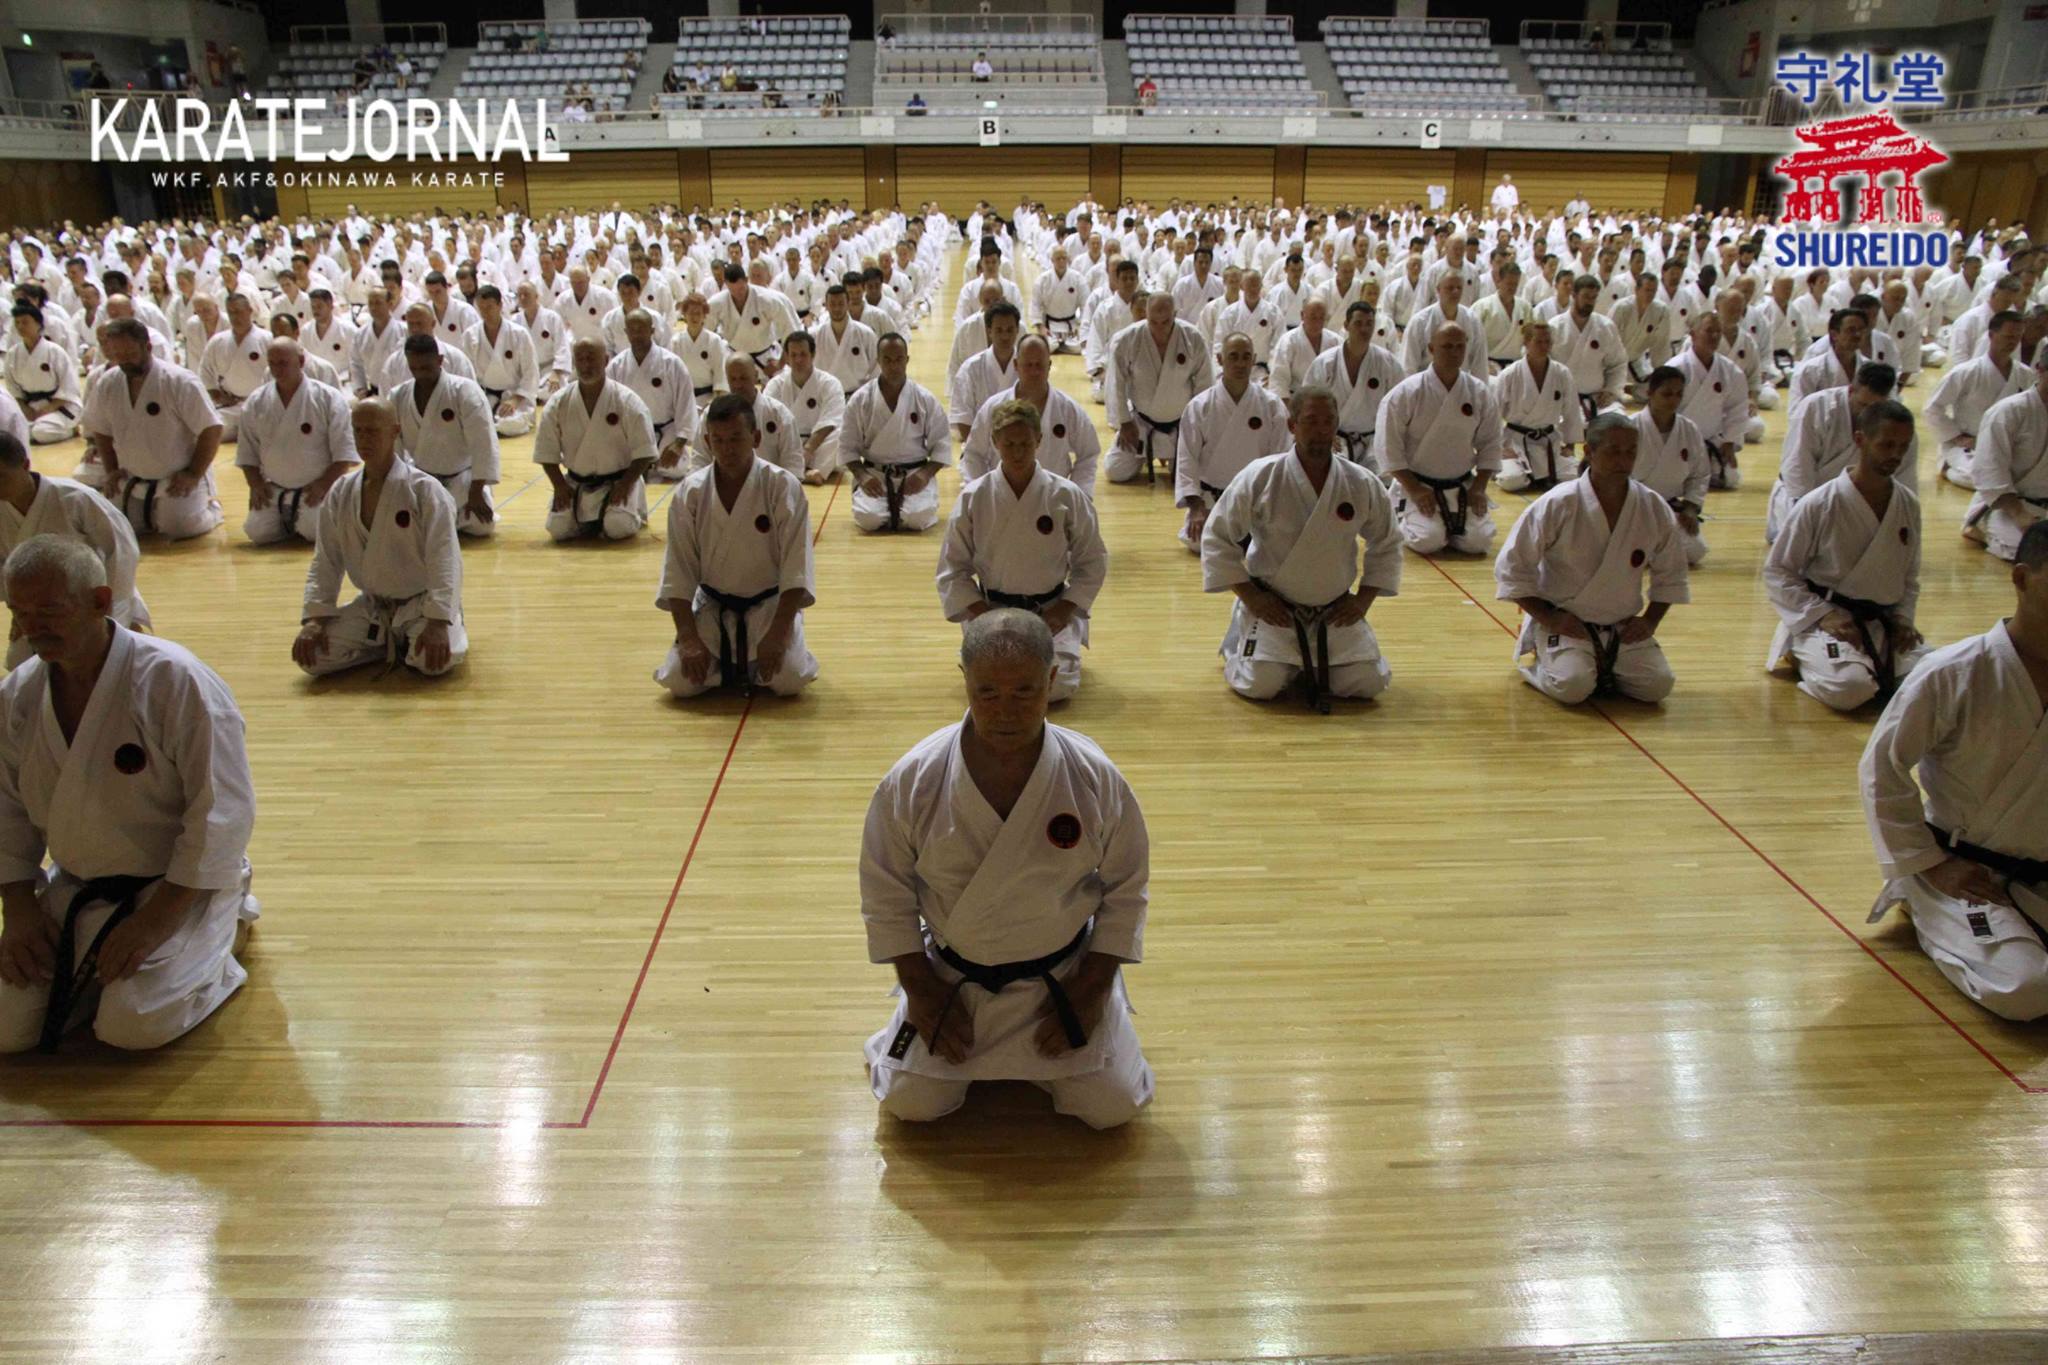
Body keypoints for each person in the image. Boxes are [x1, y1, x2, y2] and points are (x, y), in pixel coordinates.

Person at [860, 608, 1153, 1129]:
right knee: (910, 1105)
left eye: (1024, 691)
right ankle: (902, 1024)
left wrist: (1090, 990)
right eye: (987, 692)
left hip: (1062, 977)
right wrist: (922, 991)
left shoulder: (1093, 778)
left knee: (1112, 1108)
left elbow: (1127, 891)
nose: (1005, 711)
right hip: (955, 979)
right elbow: (886, 895)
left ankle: (1107, 1022)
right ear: (964, 681)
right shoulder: (914, 780)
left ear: (1052, 679)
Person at [0, 534, 257, 1053]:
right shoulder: (18, 696)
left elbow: (221, 812)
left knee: (133, 1025)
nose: (32, 628)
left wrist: (155, 921)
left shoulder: (174, 680)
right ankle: (100, 975)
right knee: (6, 1029)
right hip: (76, 888)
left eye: (48, 609)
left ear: (100, 600)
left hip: (179, 889)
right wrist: (20, 911)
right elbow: (5, 809)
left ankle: (227, 927)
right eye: (18, 612)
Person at [1859, 519, 2048, 1022]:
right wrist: (1930, 863)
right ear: (2023, 578)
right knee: (2026, 989)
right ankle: (1923, 905)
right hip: (1965, 872)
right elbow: (1882, 767)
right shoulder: (1956, 671)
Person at [1200, 385, 1401, 710]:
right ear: (1292, 425)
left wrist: (1363, 600)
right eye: (1310, 421)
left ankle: (1299, 664)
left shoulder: (1359, 481)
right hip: (1274, 609)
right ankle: (1241, 642)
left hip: (1334, 609)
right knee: (1261, 685)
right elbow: (1217, 537)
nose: (1320, 431)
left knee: (1368, 682)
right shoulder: (1262, 476)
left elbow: (1388, 541)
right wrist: (1252, 597)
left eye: (1328, 421)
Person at [1494, 413, 1689, 707]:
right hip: (1567, 622)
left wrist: (1650, 620)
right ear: (1590, 451)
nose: (1623, 460)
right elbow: (1511, 568)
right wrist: (1548, 617)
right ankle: (1542, 659)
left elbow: (1671, 573)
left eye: (1630, 452)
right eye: (1613, 451)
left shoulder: (1651, 506)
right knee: (1573, 687)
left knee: (1659, 685)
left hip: (1622, 626)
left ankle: (1598, 668)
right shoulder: (1558, 503)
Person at [938, 399, 1106, 704]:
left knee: (1057, 686)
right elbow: (953, 569)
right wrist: (981, 614)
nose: (1017, 452)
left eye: (1025, 444)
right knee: (994, 688)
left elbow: (1092, 560)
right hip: (990, 611)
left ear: (1039, 441)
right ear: (995, 443)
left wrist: (1064, 610)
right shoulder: (975, 497)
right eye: (1009, 444)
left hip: (1049, 612)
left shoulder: (1066, 495)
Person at [1764, 398, 1928, 711]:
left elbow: (1909, 575)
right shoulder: (1820, 503)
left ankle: (1860, 663)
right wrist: (1824, 614)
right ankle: (1801, 654)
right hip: (1826, 621)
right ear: (1860, 439)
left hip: (1882, 624)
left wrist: (1904, 619)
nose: (1896, 455)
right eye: (1887, 444)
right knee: (1851, 689)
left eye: (1903, 446)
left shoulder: (1908, 504)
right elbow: (1778, 571)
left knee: (1933, 678)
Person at [654, 394, 817, 699]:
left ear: (755, 437)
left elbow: (797, 569)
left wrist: (779, 635)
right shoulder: (689, 494)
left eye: (736, 438)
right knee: (680, 682)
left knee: (789, 679)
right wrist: (688, 639)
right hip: (713, 606)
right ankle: (737, 666)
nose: (727, 448)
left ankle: (780, 644)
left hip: (770, 607)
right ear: (706, 441)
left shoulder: (782, 487)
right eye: (718, 440)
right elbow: (678, 571)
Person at [294, 399, 465, 679]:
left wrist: (437, 621)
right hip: (374, 607)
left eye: (372, 431)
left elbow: (445, 557)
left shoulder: (424, 490)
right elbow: (326, 559)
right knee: (312, 659)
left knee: (431, 662)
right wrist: (316, 618)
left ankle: (435, 629)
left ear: (394, 431)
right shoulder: (341, 492)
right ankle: (387, 640)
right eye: (358, 431)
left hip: (421, 606)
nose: (364, 439)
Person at [0, 432, 145, 668]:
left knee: (105, 658)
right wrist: (19, 611)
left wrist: (110, 606)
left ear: (26, 465)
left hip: (91, 598)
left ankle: (133, 640)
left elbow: (122, 549)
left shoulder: (75, 497)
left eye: (1, 477)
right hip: (37, 607)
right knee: (19, 663)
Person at [80, 319, 224, 541]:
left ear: (147, 347)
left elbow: (211, 429)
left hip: (178, 476)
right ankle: (158, 511)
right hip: (132, 477)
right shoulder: (108, 382)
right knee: (120, 526)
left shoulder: (178, 381)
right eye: (118, 354)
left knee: (178, 527)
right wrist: (111, 470)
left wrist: (193, 473)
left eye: (129, 352)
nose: (124, 360)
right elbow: (100, 429)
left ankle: (211, 507)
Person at [1377, 323, 1504, 556]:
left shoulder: (1479, 392)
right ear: (1431, 349)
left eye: (1460, 346)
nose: (1454, 352)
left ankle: (1450, 527)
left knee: (1479, 542)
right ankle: (1399, 516)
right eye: (1447, 346)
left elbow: (1490, 442)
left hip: (1461, 485)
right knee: (1428, 540)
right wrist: (1414, 489)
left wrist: (1479, 486)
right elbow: (1389, 448)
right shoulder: (1407, 392)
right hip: (1417, 484)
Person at [1768, 362, 1915, 544]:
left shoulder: (1895, 421)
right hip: (1805, 497)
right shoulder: (1815, 407)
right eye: (1863, 404)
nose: (1866, 413)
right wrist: (1809, 515)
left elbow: (1904, 480)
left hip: (1856, 501)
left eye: (1875, 408)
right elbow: (1797, 469)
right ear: (1851, 389)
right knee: (1808, 549)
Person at [1175, 333, 1291, 553]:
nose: (1240, 363)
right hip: (1211, 499)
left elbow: (1282, 457)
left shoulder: (1271, 405)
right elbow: (1186, 458)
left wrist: (1272, 504)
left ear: (1254, 359)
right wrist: (1196, 507)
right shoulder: (1200, 406)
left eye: (1246, 357)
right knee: (1198, 543)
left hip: (1256, 500)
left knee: (1274, 545)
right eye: (1233, 356)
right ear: (1220, 359)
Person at [234, 339, 358, 546]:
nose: (277, 369)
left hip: (318, 487)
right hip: (275, 487)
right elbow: (247, 451)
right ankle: (289, 519)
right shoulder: (257, 400)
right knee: (257, 532)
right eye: (272, 363)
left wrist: (324, 484)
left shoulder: (328, 398)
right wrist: (255, 483)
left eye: (283, 363)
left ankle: (319, 514)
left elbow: (343, 454)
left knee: (314, 531)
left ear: (300, 361)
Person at [534, 339, 656, 543]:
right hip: (575, 482)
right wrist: (559, 486)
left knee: (617, 528)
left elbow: (645, 452)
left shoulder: (627, 401)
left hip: (620, 481)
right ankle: (587, 520)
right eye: (580, 359)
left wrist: (626, 484)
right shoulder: (559, 402)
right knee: (557, 529)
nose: (585, 365)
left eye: (591, 358)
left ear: (606, 360)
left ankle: (634, 507)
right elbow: (546, 451)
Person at [391, 334, 500, 538]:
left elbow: (483, 443)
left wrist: (476, 491)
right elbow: (393, 449)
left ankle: (445, 520)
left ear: (440, 361)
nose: (420, 374)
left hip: (462, 479)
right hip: (421, 479)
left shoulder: (465, 391)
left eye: (426, 368)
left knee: (481, 525)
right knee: (402, 526)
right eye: (414, 368)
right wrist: (399, 487)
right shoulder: (398, 396)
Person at [960, 335, 1098, 495]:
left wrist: (1077, 495)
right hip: (1002, 496)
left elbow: (1089, 453)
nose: (1034, 371)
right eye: (1028, 365)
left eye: (1039, 364)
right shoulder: (994, 407)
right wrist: (982, 492)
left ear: (1049, 365)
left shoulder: (1068, 409)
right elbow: (973, 453)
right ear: (1016, 365)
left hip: (1052, 497)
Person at [842, 333, 951, 533]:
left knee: (917, 518)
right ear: (878, 361)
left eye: (899, 359)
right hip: (875, 473)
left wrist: (925, 475)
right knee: (869, 519)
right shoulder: (860, 400)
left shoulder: (924, 398)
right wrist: (862, 475)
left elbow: (941, 445)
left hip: (914, 472)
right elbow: (848, 447)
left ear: (907, 359)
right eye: (887, 360)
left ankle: (914, 504)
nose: (894, 366)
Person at [1107, 294, 1214, 484]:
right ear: (1146, 314)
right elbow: (1117, 382)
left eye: (1165, 322)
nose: (1158, 328)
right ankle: (1143, 457)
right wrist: (1124, 421)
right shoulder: (1129, 338)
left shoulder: (1192, 338)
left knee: (1194, 477)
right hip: (1140, 424)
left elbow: (1204, 386)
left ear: (1175, 314)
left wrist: (1197, 426)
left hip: (1180, 426)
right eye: (1153, 321)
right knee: (1115, 470)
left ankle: (1172, 457)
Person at [1923, 310, 2032, 490]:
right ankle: (1948, 466)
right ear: (1991, 335)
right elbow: (1932, 407)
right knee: (1982, 477)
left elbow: (2031, 412)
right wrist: (1957, 437)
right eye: (2008, 336)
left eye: (2018, 337)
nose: (2013, 342)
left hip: (2006, 446)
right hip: (1968, 446)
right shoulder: (1966, 372)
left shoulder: (2025, 374)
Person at [1303, 300, 1404, 469]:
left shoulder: (1387, 362)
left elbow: (1400, 404)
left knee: (1379, 484)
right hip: (1334, 440)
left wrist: (1389, 436)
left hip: (1374, 442)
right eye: (1358, 323)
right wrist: (1322, 432)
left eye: (1369, 323)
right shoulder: (1326, 362)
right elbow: (1307, 401)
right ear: (1346, 325)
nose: (1364, 329)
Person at [1629, 365, 1711, 566]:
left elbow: (1700, 475)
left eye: (1678, 395)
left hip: (1670, 508)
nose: (1673, 400)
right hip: (1633, 509)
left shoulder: (1688, 430)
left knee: (1696, 550)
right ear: (1649, 393)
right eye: (1666, 394)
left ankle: (1650, 553)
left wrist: (1691, 507)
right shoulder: (1630, 427)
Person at [1964, 366, 2048, 562]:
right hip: (2007, 506)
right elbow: (1989, 471)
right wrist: (2020, 515)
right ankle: (1980, 525)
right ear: (2040, 370)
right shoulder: (2007, 412)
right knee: (2034, 553)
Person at [1492, 320, 1585, 493]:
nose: (1544, 346)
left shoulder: (1561, 373)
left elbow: (1571, 409)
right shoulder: (1510, 374)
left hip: (1549, 443)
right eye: (1538, 341)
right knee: (1512, 480)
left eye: (1547, 342)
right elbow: (1493, 414)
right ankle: (1506, 469)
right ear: (1526, 343)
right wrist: (1498, 449)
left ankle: (1536, 474)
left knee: (1578, 474)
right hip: (1516, 443)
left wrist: (1570, 446)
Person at [606, 310, 696, 477]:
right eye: (632, 330)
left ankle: (651, 462)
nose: (637, 334)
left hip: (666, 430)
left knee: (675, 470)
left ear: (652, 330)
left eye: (641, 329)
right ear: (626, 332)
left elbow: (686, 403)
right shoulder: (616, 366)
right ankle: (643, 463)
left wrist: (679, 443)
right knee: (613, 467)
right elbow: (609, 406)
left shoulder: (672, 363)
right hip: (631, 433)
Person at [1670, 313, 1750, 491]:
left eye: (1718, 332)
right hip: (1676, 440)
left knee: (1731, 478)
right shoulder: (1675, 368)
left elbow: (1737, 408)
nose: (1714, 336)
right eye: (1708, 331)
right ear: (1693, 334)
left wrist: (1729, 441)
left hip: (1711, 440)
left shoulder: (1730, 371)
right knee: (1672, 481)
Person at [763, 331, 846, 486]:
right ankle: (806, 474)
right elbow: (765, 416)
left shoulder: (829, 383)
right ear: (786, 357)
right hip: (787, 443)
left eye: (803, 354)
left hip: (819, 445)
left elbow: (831, 419)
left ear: (813, 355)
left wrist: (808, 449)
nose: (798, 360)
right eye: (793, 355)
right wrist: (792, 448)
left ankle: (794, 472)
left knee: (842, 435)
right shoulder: (776, 384)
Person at [465, 285, 540, 438]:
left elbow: (531, 371)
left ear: (500, 305)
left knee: (510, 424)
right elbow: (467, 373)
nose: (485, 312)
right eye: (481, 308)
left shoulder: (518, 334)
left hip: (514, 396)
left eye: (490, 307)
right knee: (469, 422)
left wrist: (516, 399)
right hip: (485, 395)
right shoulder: (470, 335)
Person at [198, 293, 270, 442]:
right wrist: (217, 394)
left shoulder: (267, 339)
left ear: (250, 310)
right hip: (232, 406)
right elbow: (205, 372)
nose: (235, 316)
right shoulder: (218, 341)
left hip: (262, 406)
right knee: (205, 430)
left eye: (238, 311)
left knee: (268, 432)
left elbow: (278, 375)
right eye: (231, 312)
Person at [5, 306, 83, 444]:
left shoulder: (55, 351)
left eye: (25, 322)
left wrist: (47, 409)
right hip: (30, 407)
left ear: (38, 324)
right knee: (18, 433)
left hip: (60, 406)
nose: (20, 326)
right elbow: (13, 389)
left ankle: (71, 429)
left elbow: (69, 388)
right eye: (17, 322)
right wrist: (26, 409)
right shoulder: (13, 354)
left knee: (40, 432)